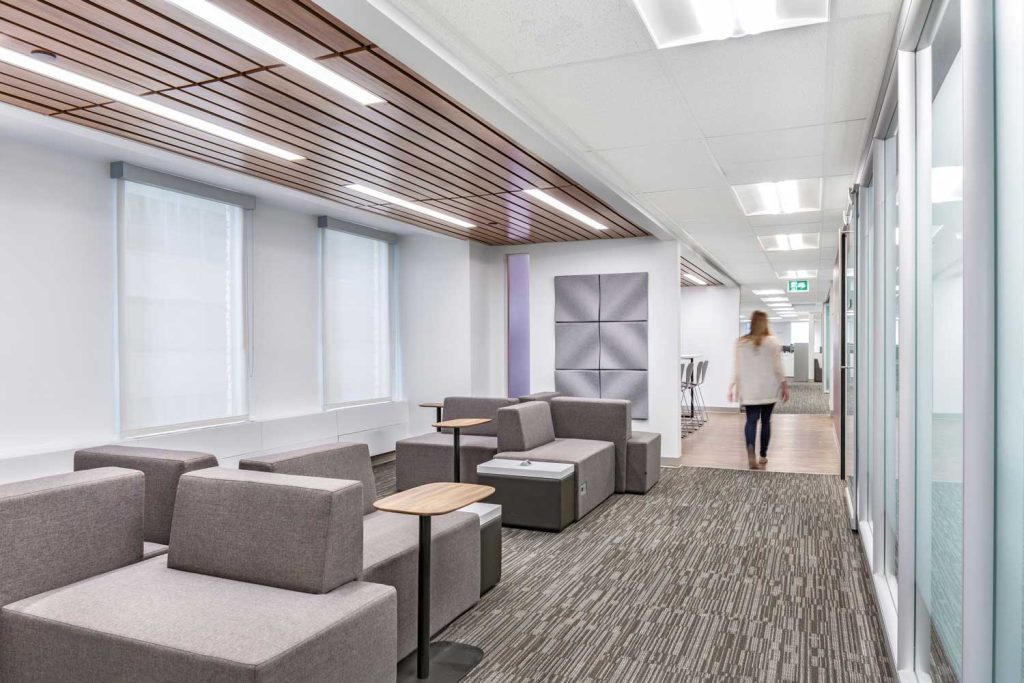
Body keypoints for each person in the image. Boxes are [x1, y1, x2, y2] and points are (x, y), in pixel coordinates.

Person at [727, 310, 789, 470]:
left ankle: (750, 449)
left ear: (752, 323)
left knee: (751, 420)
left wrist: (731, 386)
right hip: (768, 389)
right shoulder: (773, 342)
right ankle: (762, 456)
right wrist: (784, 385)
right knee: (766, 421)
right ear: (765, 323)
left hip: (749, 390)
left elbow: (737, 368)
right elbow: (778, 367)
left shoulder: (740, 342)